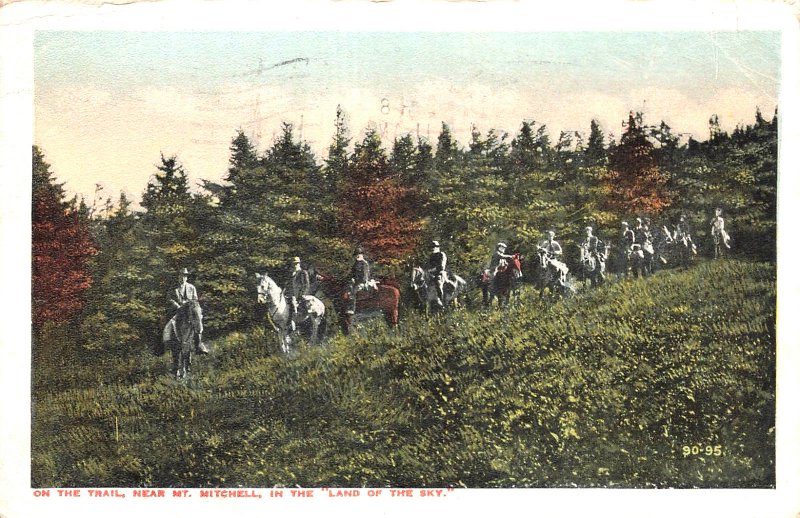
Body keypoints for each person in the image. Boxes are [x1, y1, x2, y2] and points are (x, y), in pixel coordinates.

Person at [166, 267, 208, 354]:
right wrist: (177, 305)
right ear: (178, 277)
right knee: (169, 324)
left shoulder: (191, 287)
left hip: (189, 311)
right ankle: (167, 341)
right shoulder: (174, 288)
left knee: (197, 323)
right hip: (178, 310)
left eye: (185, 276)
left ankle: (199, 345)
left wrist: (192, 305)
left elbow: (195, 300)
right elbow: (169, 298)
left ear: (187, 277)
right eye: (181, 276)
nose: (183, 278)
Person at [286, 256, 310, 331]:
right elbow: (288, 285)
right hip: (291, 295)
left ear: (299, 264)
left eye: (296, 263)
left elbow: (306, 285)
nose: (295, 265)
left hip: (300, 294)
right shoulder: (291, 274)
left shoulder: (303, 272)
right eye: (294, 264)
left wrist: (302, 294)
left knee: (302, 309)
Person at [348, 247, 371, 315]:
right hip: (354, 282)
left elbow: (365, 275)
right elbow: (351, 274)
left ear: (362, 255)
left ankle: (352, 309)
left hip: (361, 282)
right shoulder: (355, 264)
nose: (358, 256)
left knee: (353, 293)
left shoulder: (364, 264)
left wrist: (356, 281)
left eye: (359, 254)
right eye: (356, 254)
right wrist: (350, 278)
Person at [426, 241, 448, 306]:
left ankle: (442, 302)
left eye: (434, 247)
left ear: (437, 247)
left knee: (438, 284)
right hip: (431, 274)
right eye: (431, 247)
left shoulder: (442, 254)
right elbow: (428, 265)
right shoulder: (431, 256)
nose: (432, 249)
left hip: (439, 273)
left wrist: (432, 270)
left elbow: (441, 266)